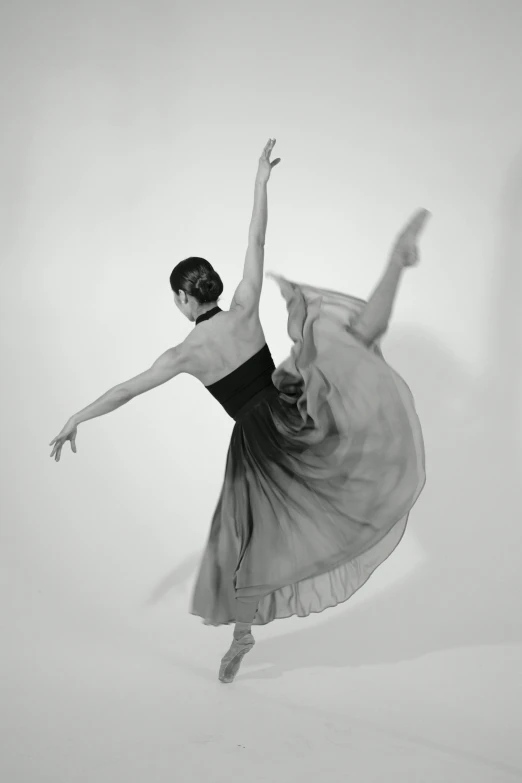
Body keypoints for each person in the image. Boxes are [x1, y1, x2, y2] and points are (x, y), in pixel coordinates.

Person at [50, 139, 428, 686]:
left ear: (184, 297)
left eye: (175, 297)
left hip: (255, 442)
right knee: (350, 366)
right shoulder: (247, 306)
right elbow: (256, 238)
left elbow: (125, 391)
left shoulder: (184, 354)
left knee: (249, 540)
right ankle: (396, 264)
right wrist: (259, 182)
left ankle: (243, 635)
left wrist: (76, 417)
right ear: (213, 288)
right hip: (289, 405)